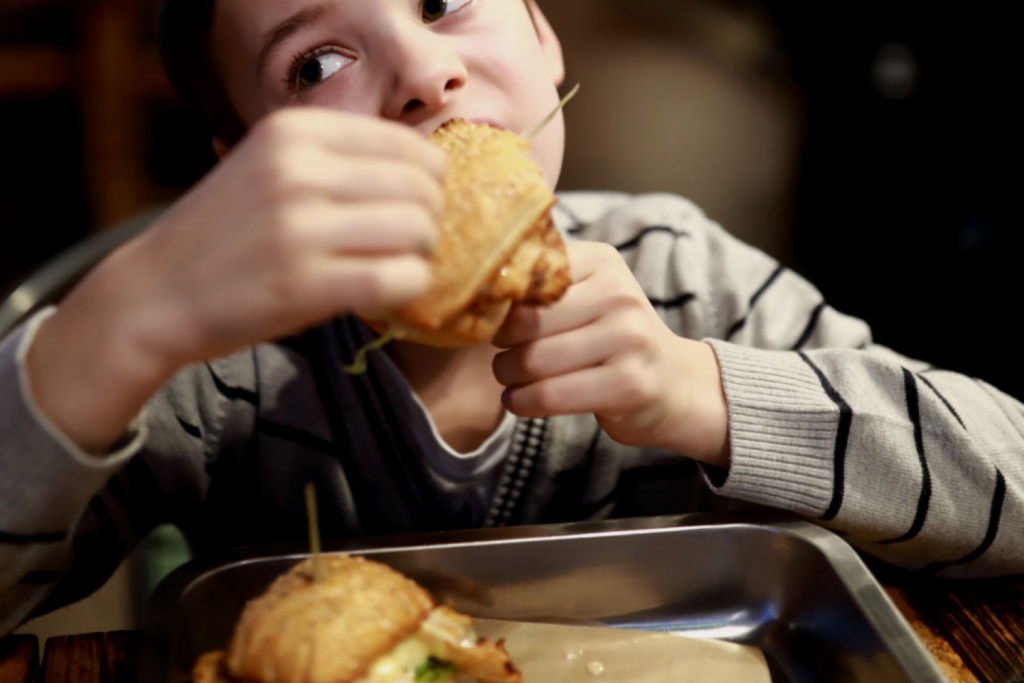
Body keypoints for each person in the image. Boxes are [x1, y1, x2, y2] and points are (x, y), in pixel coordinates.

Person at [1, 0, 1020, 635]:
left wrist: (705, 389)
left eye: (441, 2)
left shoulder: (682, 272)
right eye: (314, 62)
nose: (420, 76)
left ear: (540, 32)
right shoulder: (220, 370)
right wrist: (106, 336)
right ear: (251, 163)